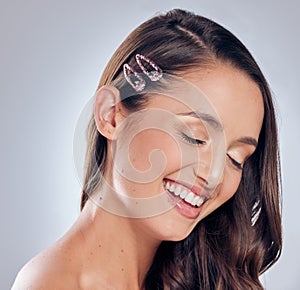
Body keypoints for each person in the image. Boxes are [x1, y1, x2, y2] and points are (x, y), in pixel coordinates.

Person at [12, 8, 282, 290]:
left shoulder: (208, 277)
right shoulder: (51, 284)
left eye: (235, 158)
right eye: (194, 138)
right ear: (111, 114)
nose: (213, 175)